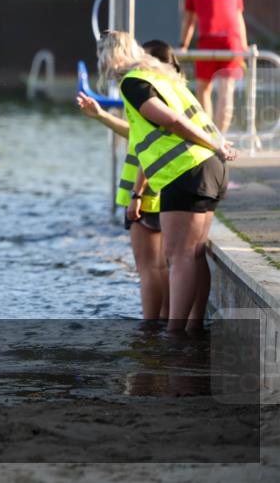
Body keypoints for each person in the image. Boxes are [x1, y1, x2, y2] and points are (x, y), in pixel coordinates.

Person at [98, 30, 235, 332]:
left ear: (110, 57)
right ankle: (193, 328)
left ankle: (175, 336)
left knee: (180, 256)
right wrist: (217, 144)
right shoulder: (166, 78)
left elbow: (171, 121)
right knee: (195, 254)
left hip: (185, 171)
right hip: (210, 168)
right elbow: (194, 117)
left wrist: (215, 144)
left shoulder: (133, 82)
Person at [76, 40, 183, 320]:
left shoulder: (144, 89)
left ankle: (150, 329)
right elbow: (136, 135)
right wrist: (100, 115)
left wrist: (137, 194)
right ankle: (164, 322)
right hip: (164, 188)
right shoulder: (171, 92)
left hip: (147, 194)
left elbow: (151, 149)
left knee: (149, 268)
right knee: (162, 266)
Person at [180, 0, 248, 135]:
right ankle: (220, 137)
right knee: (226, 92)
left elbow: (188, 20)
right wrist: (244, 45)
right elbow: (238, 17)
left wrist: (183, 45)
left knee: (203, 88)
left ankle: (207, 135)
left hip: (208, 41)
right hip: (232, 42)